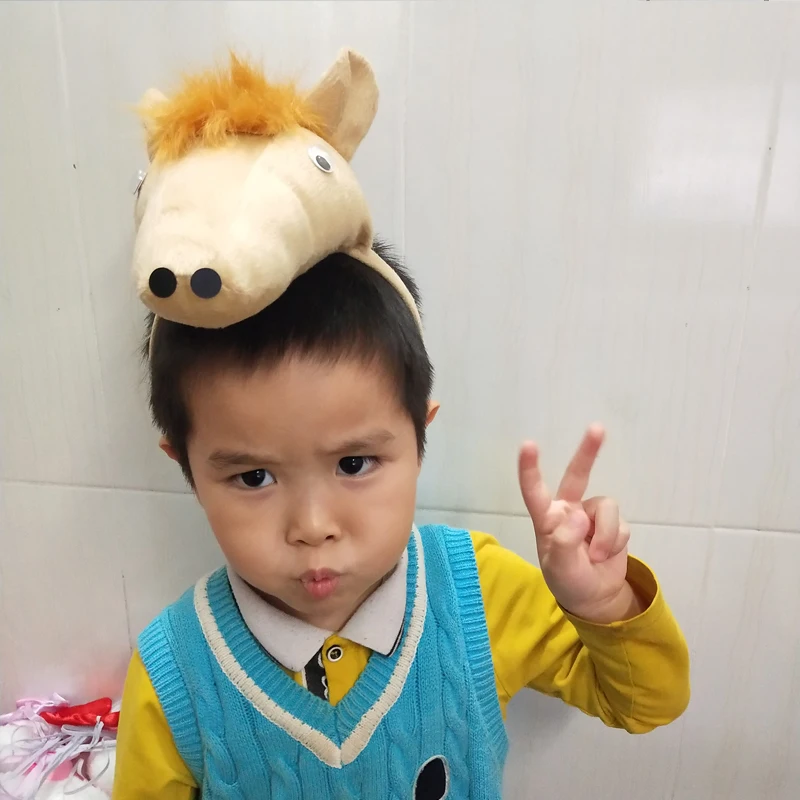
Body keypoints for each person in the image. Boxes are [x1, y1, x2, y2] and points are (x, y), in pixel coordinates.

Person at [113, 49, 689, 798]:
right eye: (253, 477)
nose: (313, 528)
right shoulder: (175, 673)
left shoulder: (476, 594)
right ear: (185, 465)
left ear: (420, 435)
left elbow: (644, 704)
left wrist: (603, 604)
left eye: (354, 464)